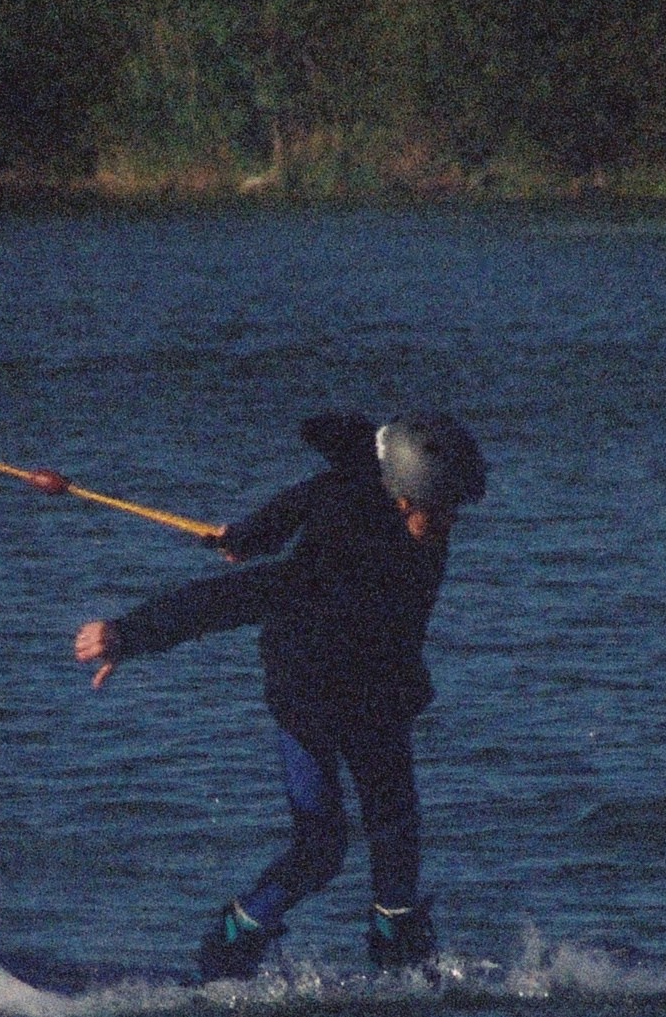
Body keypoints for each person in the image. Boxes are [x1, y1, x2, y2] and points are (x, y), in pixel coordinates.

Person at [74, 411, 487, 979]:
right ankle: (233, 939)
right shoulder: (337, 561)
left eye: (453, 511)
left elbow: (330, 482)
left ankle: (399, 957)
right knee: (322, 846)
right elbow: (239, 595)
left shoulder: (405, 508)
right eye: (436, 512)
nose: (446, 525)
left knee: (396, 832)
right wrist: (129, 634)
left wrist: (250, 536)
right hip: (309, 692)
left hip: (380, 693)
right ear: (399, 501)